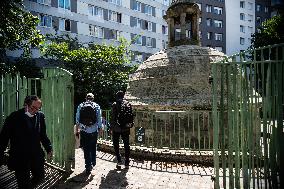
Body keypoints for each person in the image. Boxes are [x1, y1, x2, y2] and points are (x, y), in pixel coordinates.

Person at [0, 95, 53, 189]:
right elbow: (3, 138)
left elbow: (43, 135)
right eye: (33, 108)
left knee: (40, 177)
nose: (36, 111)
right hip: (20, 156)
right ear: (26, 105)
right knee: (23, 184)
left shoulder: (40, 116)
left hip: (36, 155)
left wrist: (48, 147)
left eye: (38, 108)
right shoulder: (13, 117)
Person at [74, 93, 102, 174]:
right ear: (93, 98)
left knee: (86, 149)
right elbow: (99, 119)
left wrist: (77, 129)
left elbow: (77, 119)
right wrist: (100, 129)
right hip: (94, 130)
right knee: (93, 147)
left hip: (84, 130)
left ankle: (88, 166)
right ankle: (93, 162)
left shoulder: (81, 105)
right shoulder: (96, 106)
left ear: (86, 98)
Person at [110, 91, 134, 170]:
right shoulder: (128, 104)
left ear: (117, 96)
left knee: (116, 144)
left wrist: (111, 128)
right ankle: (127, 163)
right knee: (126, 145)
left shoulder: (114, 104)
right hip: (126, 128)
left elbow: (113, 118)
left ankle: (119, 161)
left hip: (116, 129)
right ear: (123, 96)